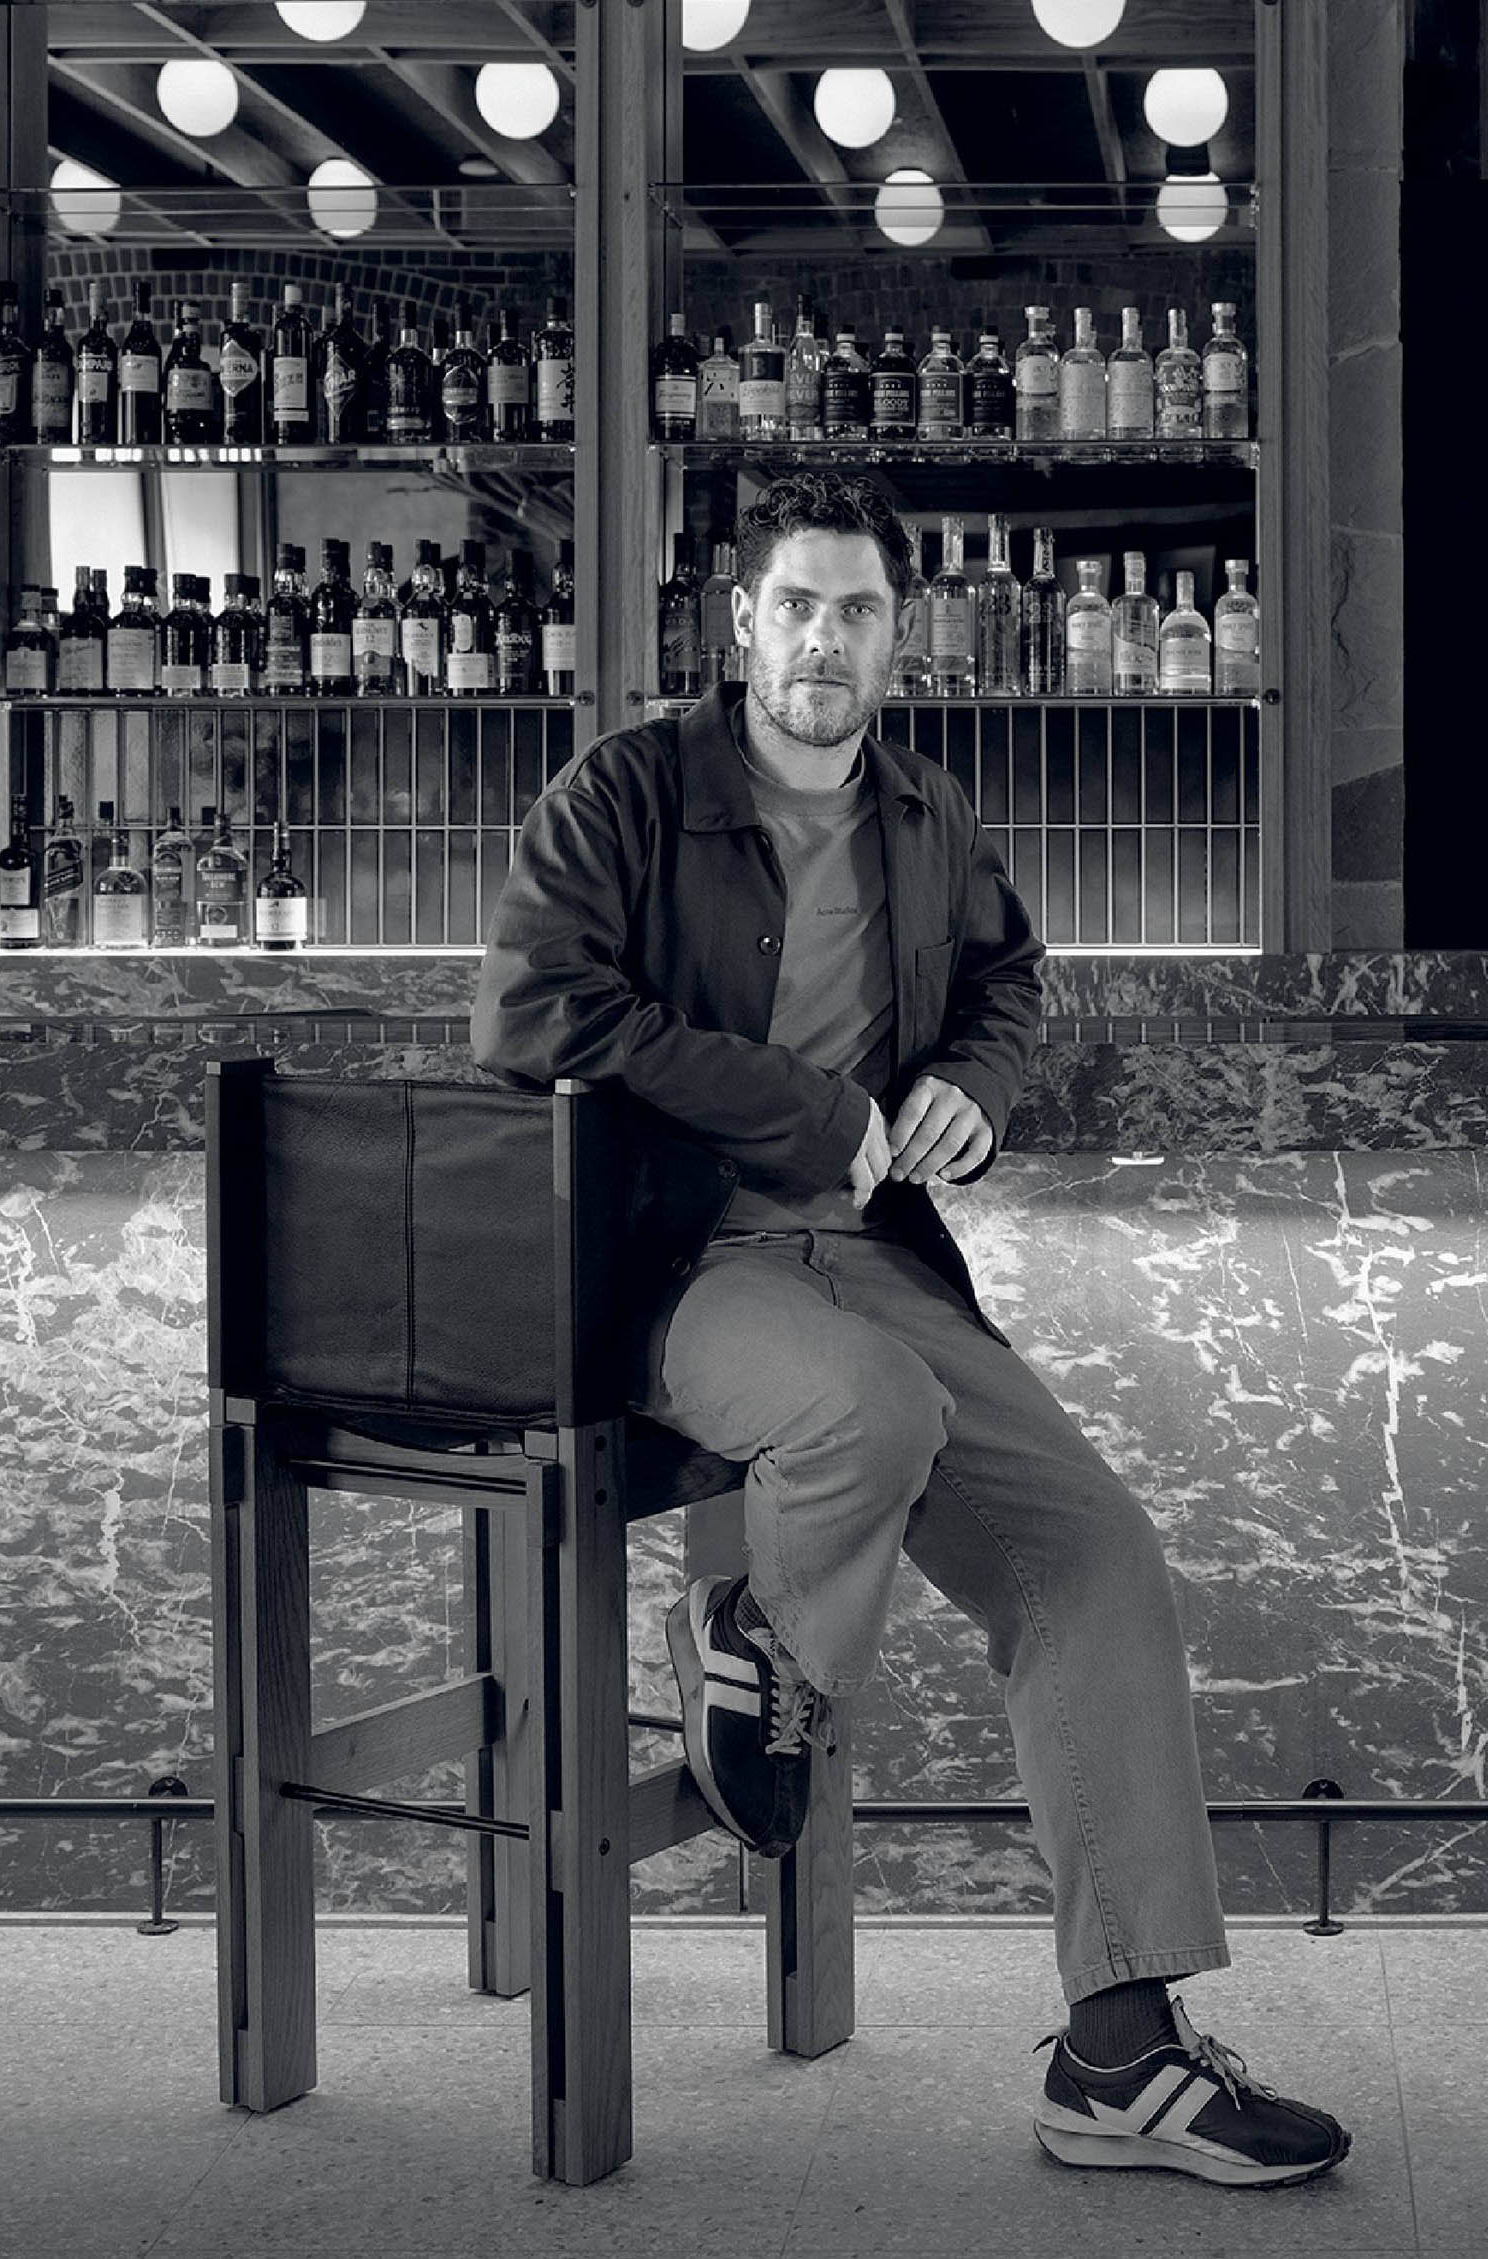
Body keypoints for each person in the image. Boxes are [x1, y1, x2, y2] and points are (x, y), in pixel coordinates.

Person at [470, 470, 1351, 2188]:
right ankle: (755, 1637)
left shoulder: (923, 811)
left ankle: (1119, 2055)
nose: (826, 638)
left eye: (859, 611)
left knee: (1096, 1554)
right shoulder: (625, 791)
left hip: (873, 1255)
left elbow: (1010, 982)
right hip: (673, 1259)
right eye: (797, 605)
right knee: (867, 1410)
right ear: (741, 622)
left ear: (899, 636)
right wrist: (804, 1108)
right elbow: (532, 1009)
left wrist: (973, 1088)